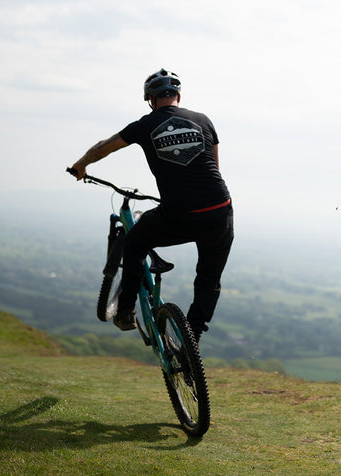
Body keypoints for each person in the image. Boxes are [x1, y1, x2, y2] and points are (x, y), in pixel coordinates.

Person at [70, 68, 233, 342]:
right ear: (178, 95)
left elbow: (103, 148)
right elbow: (215, 166)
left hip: (179, 213)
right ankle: (191, 339)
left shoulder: (145, 124)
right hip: (219, 210)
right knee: (209, 278)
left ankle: (125, 313)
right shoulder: (203, 120)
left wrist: (80, 165)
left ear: (150, 99)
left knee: (134, 242)